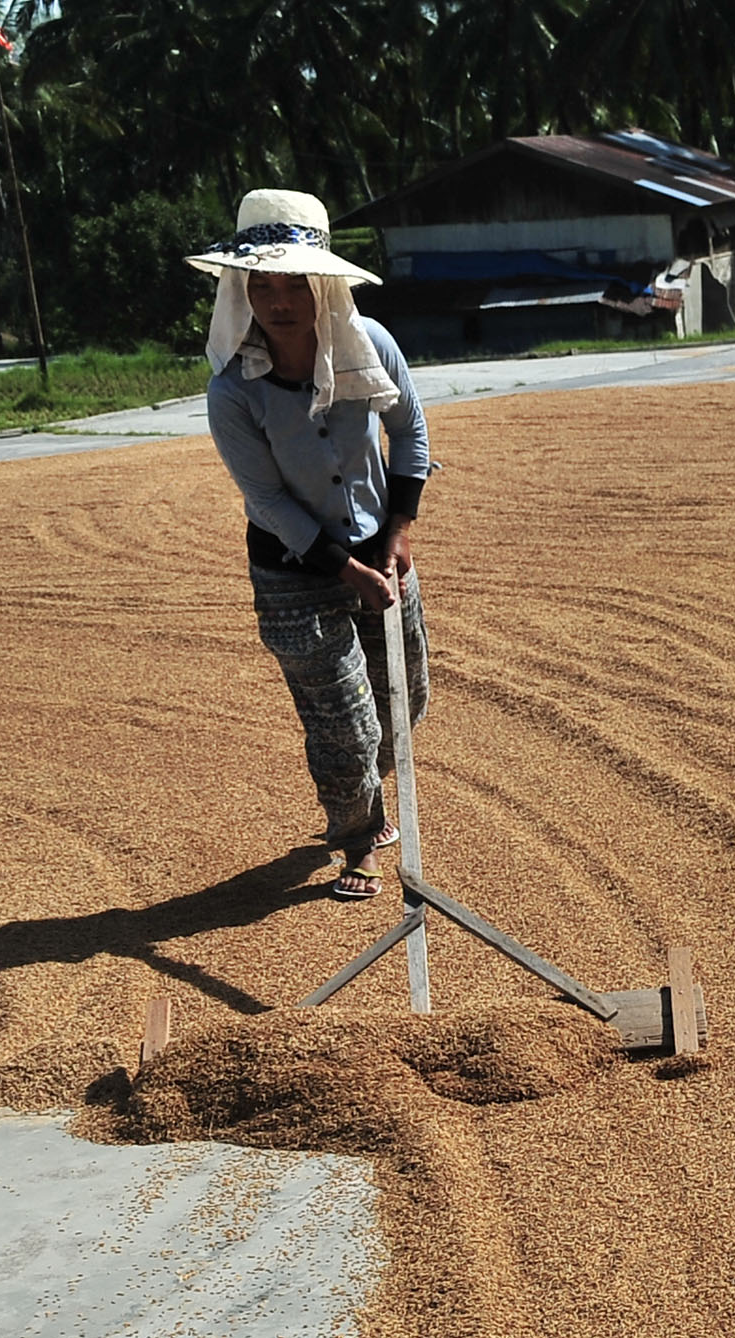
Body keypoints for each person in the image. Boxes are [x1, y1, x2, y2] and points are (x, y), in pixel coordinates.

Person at [199, 188, 431, 901]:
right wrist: (347, 569)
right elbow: (267, 501)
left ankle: (367, 800)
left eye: (293, 281)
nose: (277, 299)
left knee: (405, 703)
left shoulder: (374, 347)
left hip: (381, 552)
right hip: (294, 573)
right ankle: (357, 837)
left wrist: (395, 534)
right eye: (259, 284)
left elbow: (412, 437)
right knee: (345, 726)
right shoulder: (234, 387)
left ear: (323, 283)